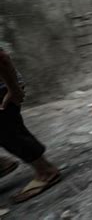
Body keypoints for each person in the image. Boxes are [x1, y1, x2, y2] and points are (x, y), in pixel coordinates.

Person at [0, 47, 60, 203]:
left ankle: (46, 171)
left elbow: (2, 58)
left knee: (8, 131)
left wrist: (13, 89)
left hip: (3, 89)